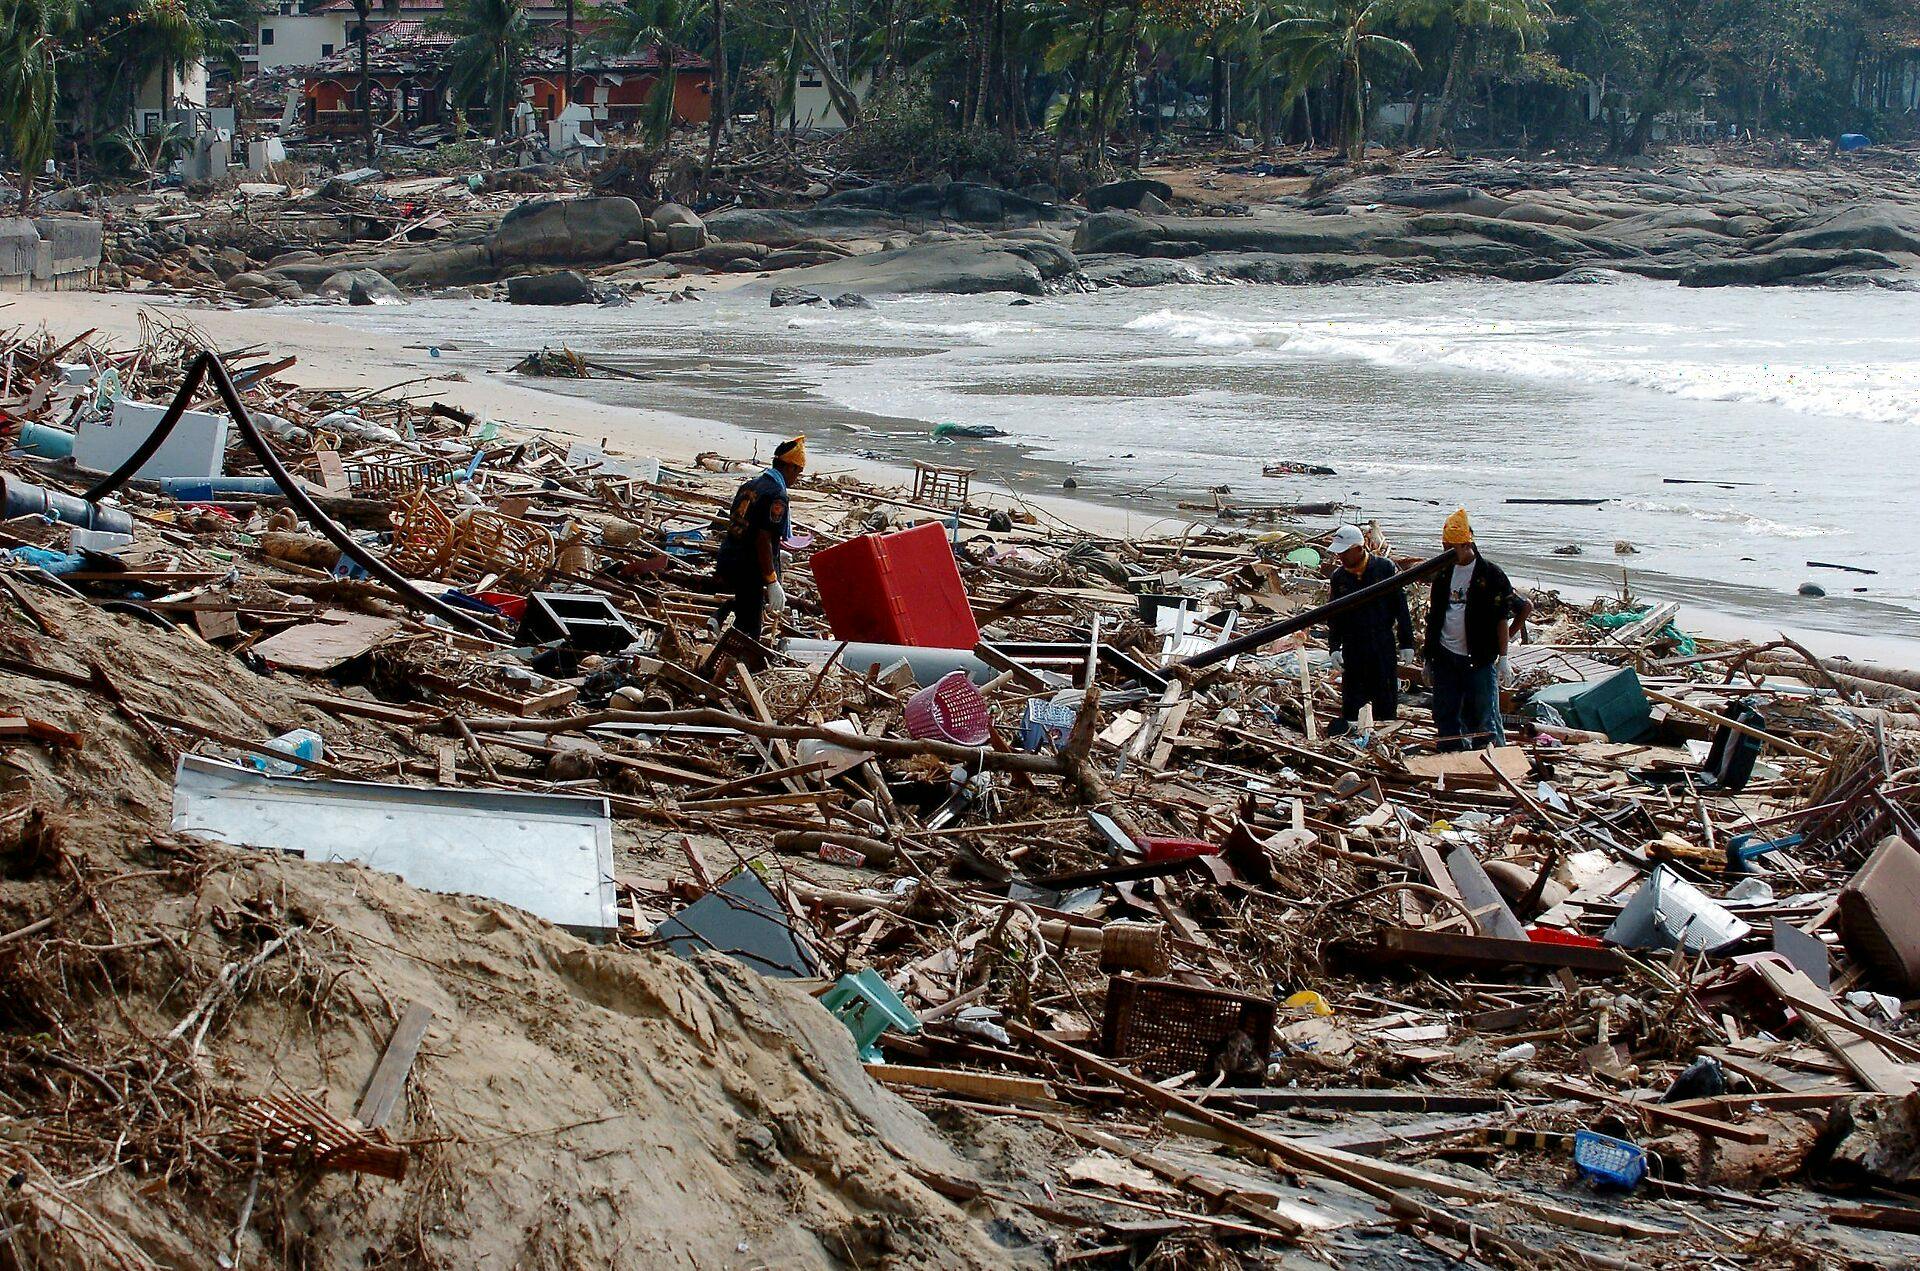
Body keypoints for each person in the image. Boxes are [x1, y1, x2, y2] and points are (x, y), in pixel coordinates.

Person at [1423, 508, 1514, 752]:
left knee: (1483, 718)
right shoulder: (1443, 573)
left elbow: (1502, 618)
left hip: (1478, 658)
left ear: (1465, 545)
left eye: (1450, 548)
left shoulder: (1490, 575)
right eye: (1443, 547)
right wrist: (1428, 657)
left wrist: (1503, 657)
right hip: (1446, 656)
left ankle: (1487, 765)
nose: (1445, 553)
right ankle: (1452, 760)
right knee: (1446, 714)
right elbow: (1435, 616)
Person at [1324, 523, 1415, 736]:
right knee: (1353, 702)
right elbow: (1334, 616)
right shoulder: (1340, 577)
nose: (1341, 558)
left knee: (1385, 698)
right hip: (1353, 645)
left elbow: (1401, 608)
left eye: (1345, 552)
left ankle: (1383, 736)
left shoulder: (1384, 568)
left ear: (1358, 548)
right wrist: (1334, 647)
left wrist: (1407, 643)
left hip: (1381, 642)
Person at [714, 436, 805, 640]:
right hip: (748, 566)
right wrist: (772, 580)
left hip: (729, 557)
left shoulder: (750, 485)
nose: (796, 478)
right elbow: (762, 538)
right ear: (789, 468)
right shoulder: (777, 495)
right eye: (797, 472)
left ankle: (721, 614)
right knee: (750, 628)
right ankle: (738, 665)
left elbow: (744, 523)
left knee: (744, 613)